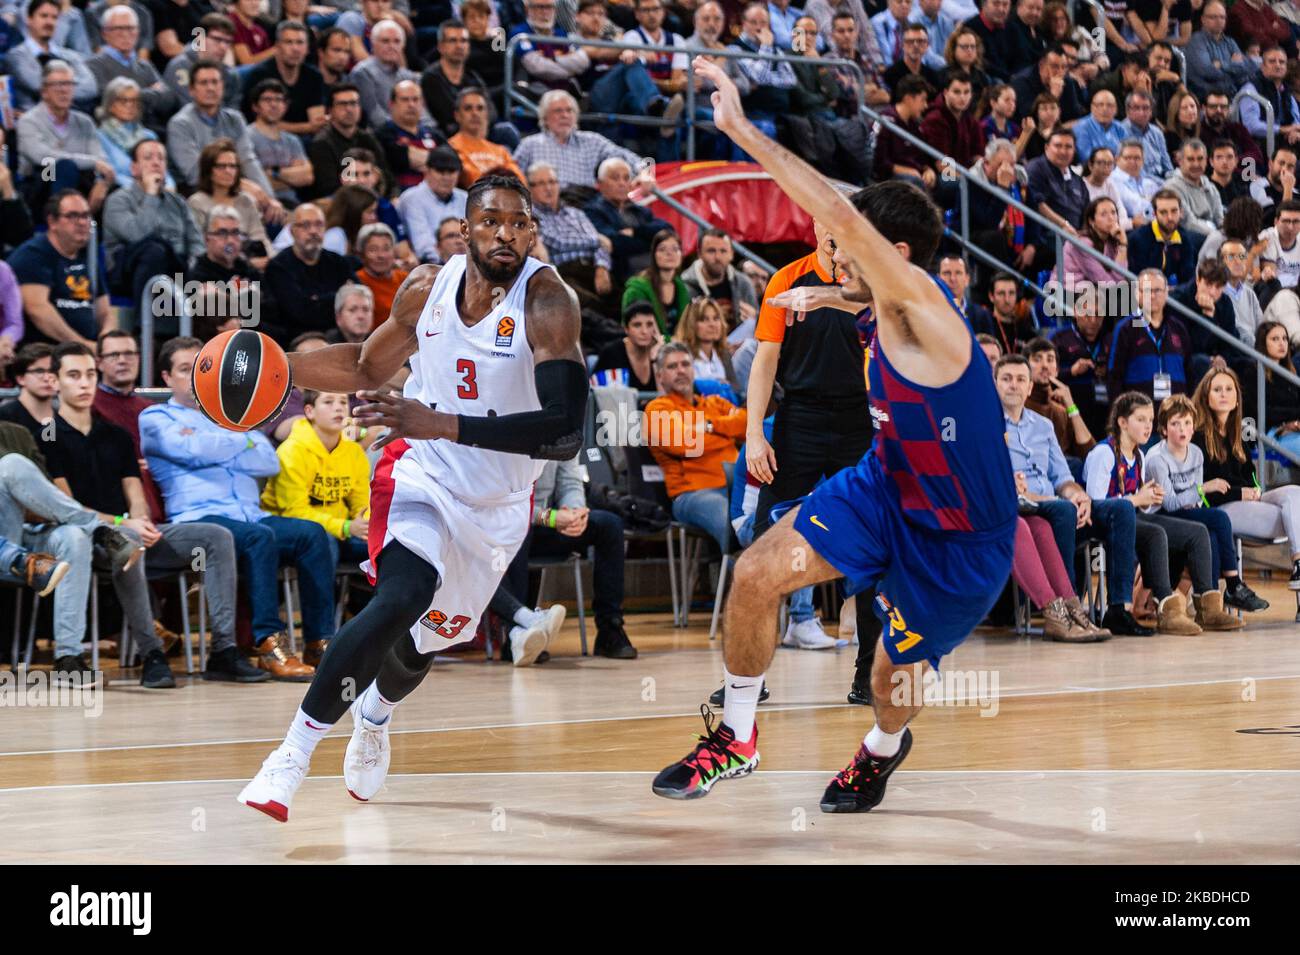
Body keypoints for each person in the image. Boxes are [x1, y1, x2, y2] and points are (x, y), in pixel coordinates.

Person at [652, 59, 1017, 810]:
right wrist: (825, 292)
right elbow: (846, 279)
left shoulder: (925, 310)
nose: (833, 248)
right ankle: (738, 736)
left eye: (848, 247)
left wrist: (740, 130)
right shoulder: (874, 304)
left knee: (891, 681)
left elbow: (845, 219)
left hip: (960, 536)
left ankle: (882, 747)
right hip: (883, 488)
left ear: (897, 258)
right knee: (755, 574)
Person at [237, 174, 590, 821]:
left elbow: (567, 431)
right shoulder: (426, 288)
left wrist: (445, 421)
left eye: (518, 224)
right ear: (464, 229)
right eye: (490, 222)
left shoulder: (547, 301)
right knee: (400, 597)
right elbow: (368, 368)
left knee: (420, 646)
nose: (504, 234)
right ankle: (289, 755)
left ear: (533, 232)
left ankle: (374, 716)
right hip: (421, 472)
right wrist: (282, 369)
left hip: (497, 509)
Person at [42, 342, 272, 686]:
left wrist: (141, 519)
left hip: (134, 528)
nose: (85, 383)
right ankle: (152, 653)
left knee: (216, 536)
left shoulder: (116, 435)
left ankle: (223, 649)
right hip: (90, 536)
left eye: (90, 374)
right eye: (74, 376)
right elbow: (69, 508)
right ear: (55, 382)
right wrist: (125, 523)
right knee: (130, 539)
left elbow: (135, 493)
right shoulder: (48, 435)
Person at [142, 336, 334, 679]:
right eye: (185, 370)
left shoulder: (235, 414)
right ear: (166, 378)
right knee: (258, 537)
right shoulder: (155, 417)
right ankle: (268, 643)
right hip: (199, 519)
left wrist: (215, 442)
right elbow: (191, 451)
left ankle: (321, 642)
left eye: (201, 369)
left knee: (312, 534)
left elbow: (267, 461)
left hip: (250, 517)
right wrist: (240, 439)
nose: (195, 377)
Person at [1083, 391, 1242, 632]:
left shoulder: (1139, 455)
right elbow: (1096, 504)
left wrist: (1149, 498)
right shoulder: (1103, 453)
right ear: (1122, 422)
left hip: (1134, 517)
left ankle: (1208, 608)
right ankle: (1167, 609)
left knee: (1198, 532)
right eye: (1141, 419)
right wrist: (1139, 498)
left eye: (1149, 420)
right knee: (1156, 533)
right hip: (1104, 523)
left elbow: (1139, 505)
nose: (1148, 426)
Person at [995, 355, 1113, 641]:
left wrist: (1080, 496)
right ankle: (1054, 612)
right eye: (1006, 379)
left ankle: (1070, 606)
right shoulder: (982, 424)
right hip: (996, 508)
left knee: (1043, 526)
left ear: (1029, 386)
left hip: (1038, 507)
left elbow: (1062, 478)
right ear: (994, 384)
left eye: (1020, 379)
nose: (1013, 385)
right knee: (1026, 523)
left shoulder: (1044, 426)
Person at [1145, 393, 1269, 612]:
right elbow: (1171, 503)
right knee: (1219, 517)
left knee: (1209, 533)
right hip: (1161, 514)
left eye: (1187, 423)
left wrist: (1198, 496)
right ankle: (1233, 583)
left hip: (1186, 512)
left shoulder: (1196, 454)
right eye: (1175, 424)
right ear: (1164, 429)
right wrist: (1203, 489)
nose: (1182, 429)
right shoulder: (1157, 459)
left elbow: (1196, 500)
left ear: (1194, 427)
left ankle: (1210, 605)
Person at [1193, 366, 1300, 588]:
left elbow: (1250, 475)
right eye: (1217, 389)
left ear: (1237, 398)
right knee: (1289, 517)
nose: (1224, 394)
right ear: (1206, 397)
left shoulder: (1238, 433)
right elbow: (1202, 492)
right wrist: (1239, 493)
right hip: (1221, 508)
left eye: (1229, 389)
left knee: (1294, 492)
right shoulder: (1197, 436)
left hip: (1248, 502)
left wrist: (1256, 489)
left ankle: (1298, 564)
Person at [644, 342, 747, 555]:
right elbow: (685, 444)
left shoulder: (715, 403)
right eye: (672, 367)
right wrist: (726, 433)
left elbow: (748, 426)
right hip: (692, 495)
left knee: (778, 516)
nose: (680, 370)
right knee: (731, 519)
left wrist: (709, 426)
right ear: (660, 375)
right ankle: (739, 582)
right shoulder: (657, 409)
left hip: (737, 486)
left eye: (685, 364)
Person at [261, 389, 371, 572]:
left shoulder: (354, 452)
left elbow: (361, 504)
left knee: (385, 546)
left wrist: (366, 525)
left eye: (343, 402)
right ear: (309, 411)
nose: (338, 409)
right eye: (328, 402)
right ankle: (324, 602)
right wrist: (345, 527)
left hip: (341, 528)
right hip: (292, 528)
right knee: (322, 541)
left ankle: (377, 601)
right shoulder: (292, 451)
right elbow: (295, 511)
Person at [102, 140, 204, 327]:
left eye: (161, 159)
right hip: (127, 271)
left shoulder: (178, 202)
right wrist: (150, 195)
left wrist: (194, 266)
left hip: (176, 268)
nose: (156, 163)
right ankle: (147, 328)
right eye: (148, 158)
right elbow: (137, 234)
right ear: (134, 168)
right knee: (154, 249)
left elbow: (197, 243)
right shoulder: (118, 200)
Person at [8, 190, 111, 347]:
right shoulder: (32, 255)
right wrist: (82, 345)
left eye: (85, 215)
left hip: (85, 353)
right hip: (45, 353)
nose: (82, 222)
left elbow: (104, 310)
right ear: (52, 222)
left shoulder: (87, 255)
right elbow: (37, 309)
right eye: (72, 216)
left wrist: (107, 341)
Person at [166, 61, 277, 202]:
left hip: (233, 188)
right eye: (204, 83)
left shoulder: (235, 119)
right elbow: (195, 173)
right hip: (195, 193)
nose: (211, 88)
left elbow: (248, 161)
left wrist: (268, 197)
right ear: (191, 90)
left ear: (222, 87)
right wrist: (242, 185)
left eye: (215, 82)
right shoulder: (180, 124)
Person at [263, 203, 362, 344]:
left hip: (342, 336)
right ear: (292, 231)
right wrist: (340, 296)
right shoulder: (278, 267)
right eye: (305, 225)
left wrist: (316, 300)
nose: (313, 231)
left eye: (319, 225)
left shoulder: (338, 261)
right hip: (300, 340)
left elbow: (359, 297)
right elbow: (299, 313)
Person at [1108, 268, 1193, 405]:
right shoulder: (1125, 328)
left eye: (1157, 290)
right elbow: (1114, 376)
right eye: (1147, 291)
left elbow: (1189, 372)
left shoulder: (1179, 328)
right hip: (1138, 414)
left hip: (1175, 414)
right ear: (1137, 294)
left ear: (1167, 293)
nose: (1152, 296)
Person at [583, 155, 672, 282]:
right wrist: (651, 241)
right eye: (615, 178)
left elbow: (667, 230)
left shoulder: (638, 210)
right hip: (625, 274)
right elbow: (616, 243)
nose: (622, 183)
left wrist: (635, 232)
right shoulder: (592, 211)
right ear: (600, 184)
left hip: (655, 269)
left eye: (626, 178)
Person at [239, 22, 327, 142]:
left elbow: (317, 124)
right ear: (277, 47)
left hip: (303, 141)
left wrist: (308, 127)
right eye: (289, 42)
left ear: (307, 49)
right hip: (262, 139)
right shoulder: (259, 75)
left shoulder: (314, 76)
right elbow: (262, 124)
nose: (295, 49)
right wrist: (306, 127)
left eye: (300, 43)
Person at [307, 82, 391, 200]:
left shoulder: (368, 138)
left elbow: (386, 175)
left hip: (372, 198)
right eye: (342, 104)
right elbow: (328, 188)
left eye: (354, 103)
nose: (349, 109)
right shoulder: (321, 143)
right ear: (330, 111)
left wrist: (394, 197)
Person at [680, 228, 759, 340]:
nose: (718, 257)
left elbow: (759, 325)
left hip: (738, 347)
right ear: (700, 254)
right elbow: (682, 330)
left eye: (723, 251)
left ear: (731, 254)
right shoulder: (684, 286)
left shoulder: (743, 283)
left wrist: (755, 318)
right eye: (711, 251)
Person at [399, 148, 469, 264]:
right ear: (427, 170)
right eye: (440, 171)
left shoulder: (465, 198)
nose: (446, 177)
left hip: (465, 264)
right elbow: (422, 246)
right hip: (429, 266)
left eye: (451, 171)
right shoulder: (411, 198)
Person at [447, 88, 524, 189]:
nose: (475, 113)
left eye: (480, 108)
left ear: (487, 114)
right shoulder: (451, 147)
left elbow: (521, 183)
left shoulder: (501, 151)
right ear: (457, 115)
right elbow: (474, 183)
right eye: (468, 108)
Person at [1127, 189, 1204, 287]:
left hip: (1175, 296)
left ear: (1181, 212)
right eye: (1163, 212)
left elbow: (1189, 279)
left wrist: (1175, 292)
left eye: (1174, 211)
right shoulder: (1137, 239)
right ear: (1154, 214)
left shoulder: (1184, 239)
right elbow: (1136, 280)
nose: (1170, 217)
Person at [621, 229, 691, 337]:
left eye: (675, 249)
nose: (669, 253)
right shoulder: (636, 289)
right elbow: (638, 332)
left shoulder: (681, 286)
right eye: (662, 249)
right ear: (653, 255)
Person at [1027, 127, 1089, 235]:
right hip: (1050, 233)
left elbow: (1086, 212)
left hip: (1075, 236)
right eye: (1058, 146)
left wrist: (1084, 234)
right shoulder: (1036, 168)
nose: (1063, 151)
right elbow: (1039, 204)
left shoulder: (1077, 179)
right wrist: (1064, 225)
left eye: (1068, 147)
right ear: (1047, 148)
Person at [1184, 1, 1253, 98]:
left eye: (1222, 17)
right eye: (1213, 17)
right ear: (1203, 19)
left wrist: (1220, 64)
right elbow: (1208, 72)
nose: (1218, 20)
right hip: (1206, 97)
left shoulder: (1230, 42)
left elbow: (1245, 68)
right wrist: (1232, 64)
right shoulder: (1196, 41)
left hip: (1232, 95)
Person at [1253, 321, 1300, 460]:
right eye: (1275, 339)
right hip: (1271, 432)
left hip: (1294, 430)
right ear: (1263, 343)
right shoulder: (1254, 372)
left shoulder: (1292, 374)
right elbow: (1261, 412)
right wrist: (1288, 423)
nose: (1282, 343)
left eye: (1285, 338)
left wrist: (1295, 423)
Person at [674, 297, 739, 394]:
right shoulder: (681, 353)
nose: (712, 324)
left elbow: (736, 389)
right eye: (704, 319)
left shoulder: (724, 354)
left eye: (716, 318)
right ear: (691, 324)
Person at [592, 300, 660, 390]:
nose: (645, 331)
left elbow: (665, 396)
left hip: (657, 404)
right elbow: (600, 395)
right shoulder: (612, 354)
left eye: (649, 324)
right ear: (626, 329)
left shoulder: (660, 353)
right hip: (621, 404)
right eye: (637, 325)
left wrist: (656, 360)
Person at [1161, 139, 1223, 237]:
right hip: (1188, 238)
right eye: (1190, 159)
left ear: (1206, 161)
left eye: (1200, 159)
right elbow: (1189, 224)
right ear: (1180, 161)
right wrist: (1219, 234)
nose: (1196, 164)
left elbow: (1220, 219)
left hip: (1213, 235)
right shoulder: (1171, 188)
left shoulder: (1210, 187)